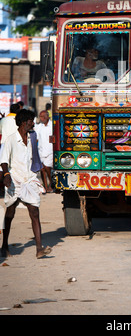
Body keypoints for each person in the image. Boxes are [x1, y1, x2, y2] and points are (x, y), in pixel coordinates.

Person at [0, 109, 51, 258]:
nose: (33, 124)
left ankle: (39, 249)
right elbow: (3, 160)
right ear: (24, 122)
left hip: (29, 179)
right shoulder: (10, 139)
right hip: (14, 179)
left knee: (34, 212)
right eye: (31, 121)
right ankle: (4, 245)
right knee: (10, 213)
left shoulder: (31, 138)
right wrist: (7, 175)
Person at [36, 110, 53, 193]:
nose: (41, 118)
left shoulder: (52, 126)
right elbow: (36, 139)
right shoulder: (39, 127)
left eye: (43, 116)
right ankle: (45, 187)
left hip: (50, 151)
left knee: (47, 167)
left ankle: (51, 183)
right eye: (40, 117)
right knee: (42, 169)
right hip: (41, 151)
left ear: (47, 117)